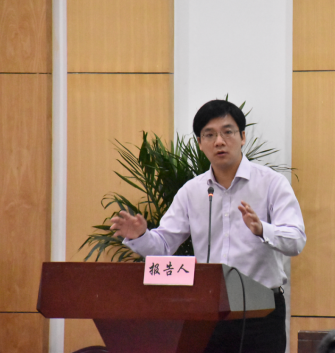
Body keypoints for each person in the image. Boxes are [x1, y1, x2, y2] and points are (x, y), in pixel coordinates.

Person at [110, 99, 306, 353]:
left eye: (227, 132)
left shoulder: (271, 183)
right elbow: (163, 246)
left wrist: (262, 229)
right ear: (200, 143)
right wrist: (140, 236)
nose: (219, 141)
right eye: (209, 135)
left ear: (242, 137)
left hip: (261, 312)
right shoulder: (192, 191)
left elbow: (296, 240)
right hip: (207, 311)